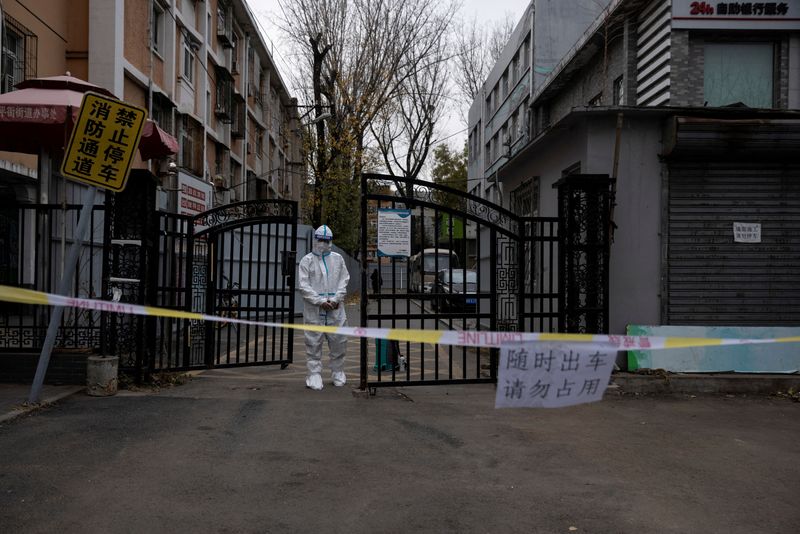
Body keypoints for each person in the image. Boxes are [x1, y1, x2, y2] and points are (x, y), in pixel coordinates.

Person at [297, 225, 350, 390]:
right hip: (315, 309)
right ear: (315, 240)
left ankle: (338, 372)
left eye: (326, 241)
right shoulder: (307, 261)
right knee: (313, 341)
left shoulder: (338, 259)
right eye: (320, 240)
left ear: (331, 242)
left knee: (339, 341)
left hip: (335, 309)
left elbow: (344, 280)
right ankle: (313, 374)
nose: (323, 244)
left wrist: (335, 299)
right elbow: (303, 286)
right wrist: (320, 301)